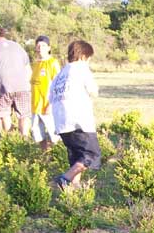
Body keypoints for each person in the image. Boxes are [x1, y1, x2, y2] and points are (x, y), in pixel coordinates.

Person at [50, 40, 101, 189]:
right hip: (79, 121)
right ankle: (64, 179)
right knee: (91, 155)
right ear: (83, 56)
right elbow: (93, 91)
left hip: (61, 122)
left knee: (76, 155)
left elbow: (51, 98)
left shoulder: (60, 74)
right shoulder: (81, 69)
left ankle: (75, 184)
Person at [0, 25, 32, 135]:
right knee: (24, 115)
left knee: (4, 113)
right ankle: (25, 139)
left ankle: (9, 139)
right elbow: (28, 68)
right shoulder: (18, 46)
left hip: (3, 87)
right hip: (23, 87)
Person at [30, 35, 61, 151]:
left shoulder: (53, 63)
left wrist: (50, 104)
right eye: (38, 46)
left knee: (54, 135)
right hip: (35, 105)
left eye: (43, 45)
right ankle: (45, 155)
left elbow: (57, 84)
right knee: (38, 134)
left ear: (49, 47)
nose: (40, 48)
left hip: (47, 105)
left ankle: (58, 156)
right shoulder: (36, 64)